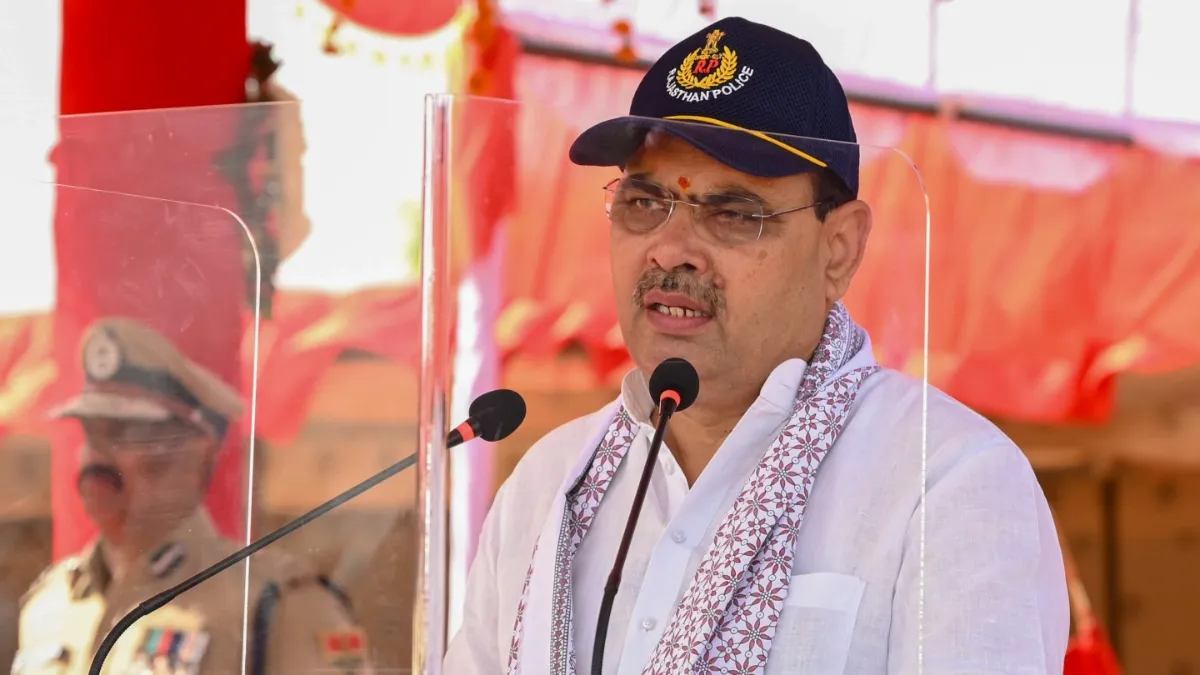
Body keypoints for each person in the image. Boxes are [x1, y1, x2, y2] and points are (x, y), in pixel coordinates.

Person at [445, 16, 1070, 675]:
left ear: (840, 249)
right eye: (643, 201)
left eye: (735, 213)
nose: (670, 248)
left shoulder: (946, 482)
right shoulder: (549, 484)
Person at [12, 318, 372, 675]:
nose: (96, 457)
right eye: (90, 433)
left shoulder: (275, 604)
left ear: (198, 452)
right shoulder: (50, 604)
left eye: (126, 432)